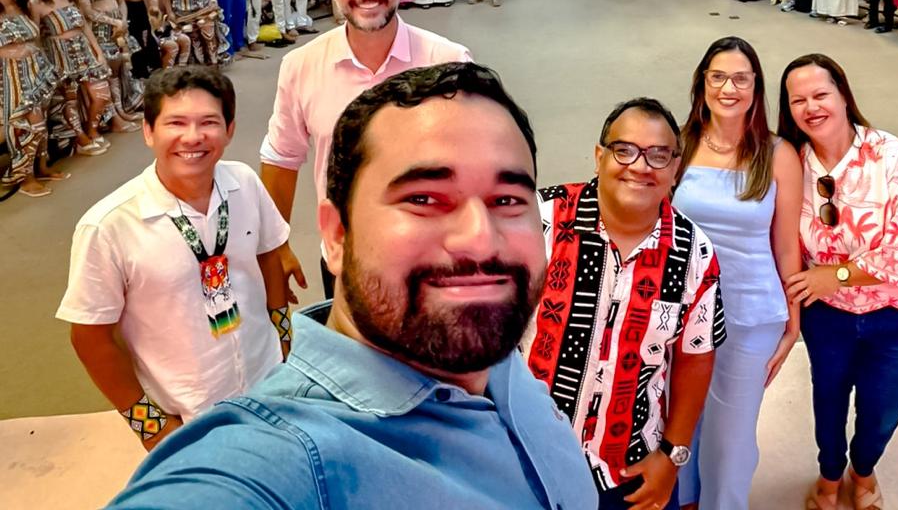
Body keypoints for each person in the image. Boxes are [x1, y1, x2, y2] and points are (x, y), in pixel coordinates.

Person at [109, 64, 596, 509]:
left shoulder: (486, 350)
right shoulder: (286, 461)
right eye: (424, 198)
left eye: (507, 199)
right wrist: (150, 422)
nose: (480, 240)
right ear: (336, 234)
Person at [57, 67, 291, 449]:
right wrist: (150, 426)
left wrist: (284, 343)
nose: (193, 137)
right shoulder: (108, 226)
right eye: (176, 123)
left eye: (209, 122)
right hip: (191, 414)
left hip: (270, 385)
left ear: (230, 130)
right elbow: (89, 338)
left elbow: (267, 257)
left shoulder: (245, 183)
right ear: (148, 131)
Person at [530, 97, 723, 510]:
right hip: (527, 457)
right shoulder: (540, 220)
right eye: (624, 150)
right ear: (599, 156)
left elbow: (695, 357)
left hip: (631, 470)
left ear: (675, 168)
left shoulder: (694, 252)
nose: (640, 166)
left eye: (658, 155)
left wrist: (672, 455)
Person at [260, 0, 472, 300]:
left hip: (434, 260)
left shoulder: (448, 62)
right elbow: (282, 157)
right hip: (346, 260)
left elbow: (477, 162)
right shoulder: (301, 66)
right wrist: (274, 246)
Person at [778, 54, 898, 510]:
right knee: (827, 399)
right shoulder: (791, 163)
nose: (811, 107)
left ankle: (863, 469)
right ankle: (830, 472)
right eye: (798, 100)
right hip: (827, 315)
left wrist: (836, 275)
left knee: (882, 410)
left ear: (844, 96)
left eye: (821, 94)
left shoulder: (891, 156)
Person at [672, 38, 802, 509]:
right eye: (718, 77)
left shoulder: (777, 153)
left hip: (751, 313)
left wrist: (793, 322)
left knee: (731, 433)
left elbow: (786, 245)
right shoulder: (679, 145)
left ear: (756, 87)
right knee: (679, 419)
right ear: (702, 83)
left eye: (741, 79)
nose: (729, 88)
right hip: (682, 310)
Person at [31, 0, 115, 155]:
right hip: (59, 55)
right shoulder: (36, 3)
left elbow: (84, 26)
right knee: (69, 99)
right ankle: (81, 139)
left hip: (83, 50)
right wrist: (43, 63)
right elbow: (36, 37)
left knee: (102, 94)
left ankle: (92, 130)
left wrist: (98, 52)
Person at [0, 0, 63, 197]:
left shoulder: (23, 7)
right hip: (11, 77)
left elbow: (34, 39)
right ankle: (25, 178)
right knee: (27, 126)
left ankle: (42, 167)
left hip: (37, 71)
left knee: (41, 122)